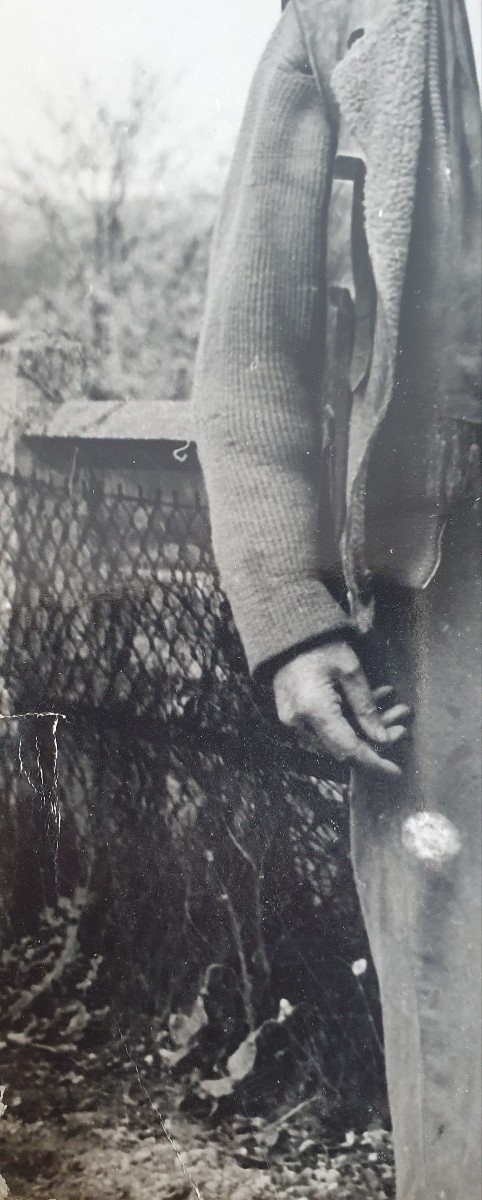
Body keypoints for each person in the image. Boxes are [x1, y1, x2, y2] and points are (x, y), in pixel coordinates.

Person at [193, 1, 481, 1197]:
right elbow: (257, 340)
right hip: (444, 588)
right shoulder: (350, 18)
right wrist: (289, 611)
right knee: (453, 991)